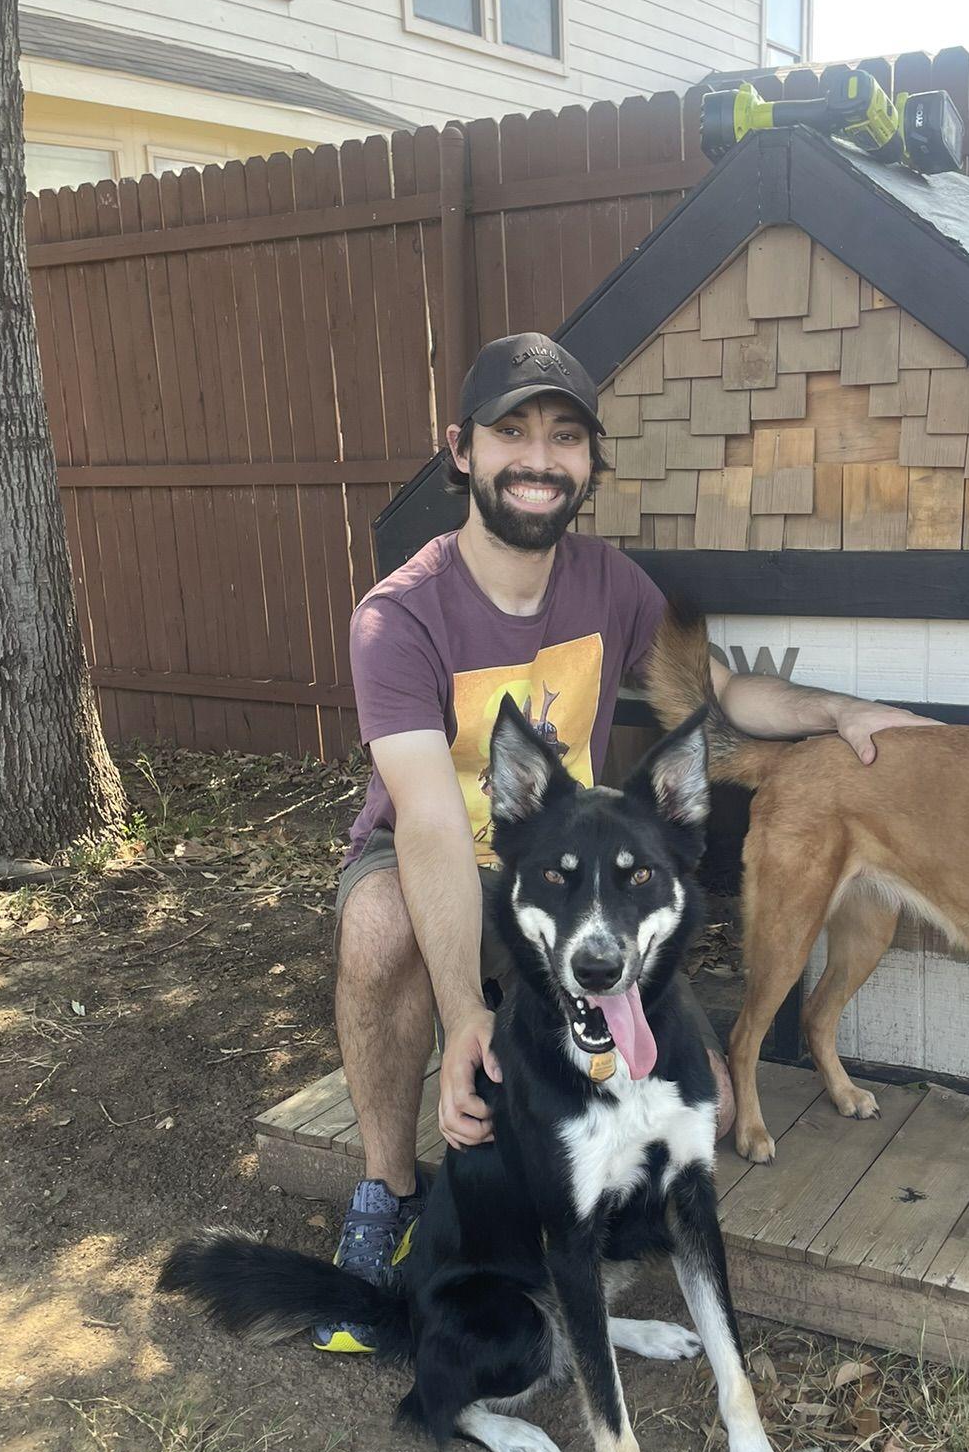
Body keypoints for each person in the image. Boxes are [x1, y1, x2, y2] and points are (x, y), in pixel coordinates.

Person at [319, 333, 931, 1350]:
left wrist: (839, 710)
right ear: (460, 451)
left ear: (590, 462)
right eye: (511, 432)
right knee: (380, 925)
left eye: (564, 437)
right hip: (440, 868)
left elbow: (720, 695)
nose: (539, 458)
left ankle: (564, 1228)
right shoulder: (400, 616)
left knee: (713, 1102)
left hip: (573, 883)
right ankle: (388, 1192)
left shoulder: (607, 582)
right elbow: (427, 821)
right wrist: (465, 1010)